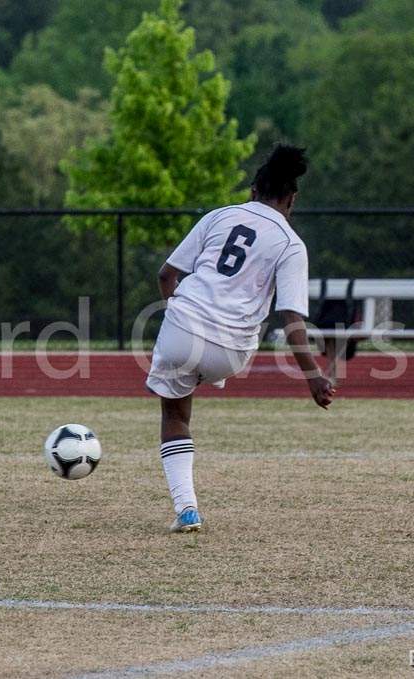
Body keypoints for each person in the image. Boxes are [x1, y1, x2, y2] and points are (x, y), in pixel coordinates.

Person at [146, 144, 336, 533]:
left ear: (253, 190)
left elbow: (167, 275)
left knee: (175, 414)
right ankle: (204, 370)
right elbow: (291, 318)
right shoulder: (290, 243)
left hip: (183, 327)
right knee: (208, 363)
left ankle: (187, 510)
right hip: (232, 349)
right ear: (291, 198)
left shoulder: (219, 216)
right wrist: (313, 376)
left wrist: (179, 319)